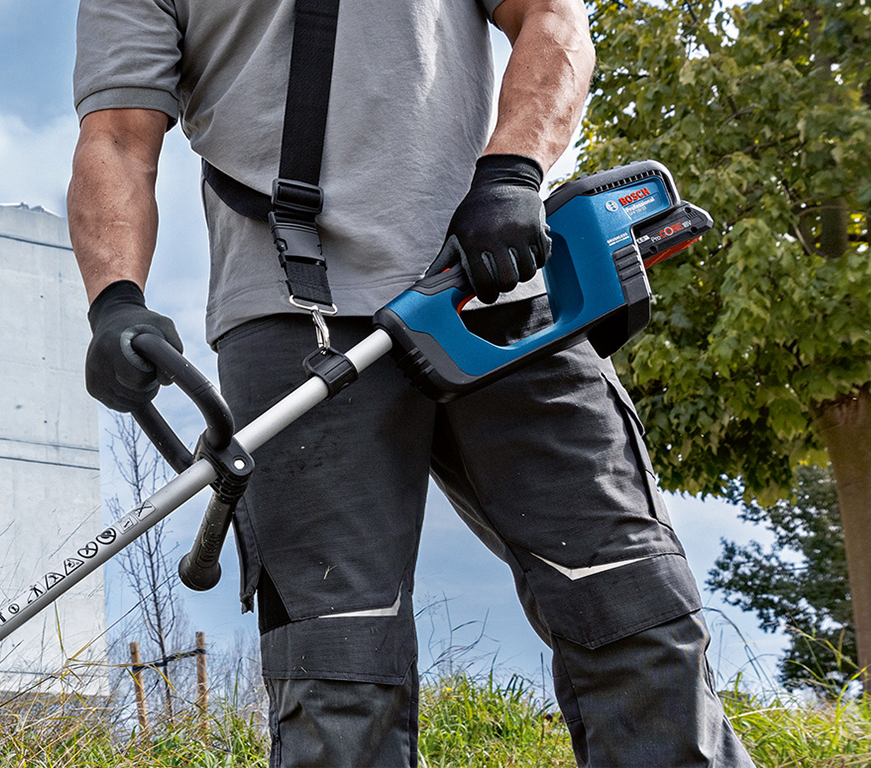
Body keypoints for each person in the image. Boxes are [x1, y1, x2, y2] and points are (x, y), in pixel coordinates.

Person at [68, 0, 754, 765]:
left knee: (629, 604)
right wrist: (116, 300)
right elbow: (119, 138)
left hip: (491, 282)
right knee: (337, 676)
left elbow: (553, 19)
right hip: (291, 317)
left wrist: (513, 172)